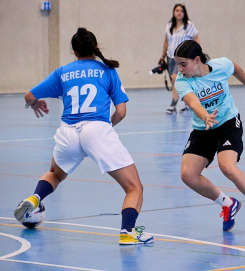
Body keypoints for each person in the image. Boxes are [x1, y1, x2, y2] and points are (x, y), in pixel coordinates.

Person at [14, 28, 153, 245]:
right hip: (96, 129)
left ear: (74, 51)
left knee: (56, 174)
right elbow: (121, 112)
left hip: (68, 131)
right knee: (134, 187)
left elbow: (29, 95)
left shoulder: (62, 72)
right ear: (96, 47)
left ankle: (35, 198)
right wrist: (106, 129)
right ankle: (128, 232)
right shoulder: (107, 71)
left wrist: (35, 103)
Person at [174, 40, 245, 231]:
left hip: (228, 123)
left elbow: (236, 68)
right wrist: (205, 116)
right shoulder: (182, 81)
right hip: (203, 127)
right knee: (188, 175)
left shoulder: (220, 66)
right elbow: (193, 102)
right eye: (177, 64)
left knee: (227, 166)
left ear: (197, 60)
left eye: (183, 64)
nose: (179, 69)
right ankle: (228, 204)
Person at [160, 3, 200, 114]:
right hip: (171, 58)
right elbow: (166, 42)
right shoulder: (169, 26)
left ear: (184, 13)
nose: (179, 12)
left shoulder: (189, 26)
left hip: (184, 59)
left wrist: (197, 55)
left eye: (181, 11)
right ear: (174, 12)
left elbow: (196, 40)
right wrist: (162, 56)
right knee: (177, 82)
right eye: (177, 10)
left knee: (175, 78)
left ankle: (173, 104)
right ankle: (187, 103)